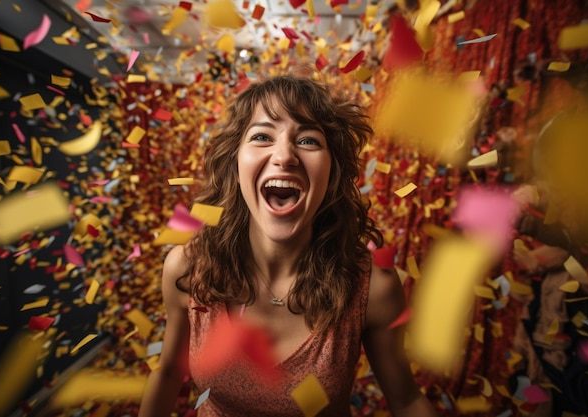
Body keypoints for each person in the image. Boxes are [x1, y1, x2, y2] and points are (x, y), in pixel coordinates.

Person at [139, 72, 437, 417]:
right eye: (263, 136)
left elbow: (407, 400)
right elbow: (168, 372)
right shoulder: (188, 270)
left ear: (333, 173)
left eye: (308, 140)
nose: (285, 156)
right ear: (236, 162)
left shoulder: (374, 289)